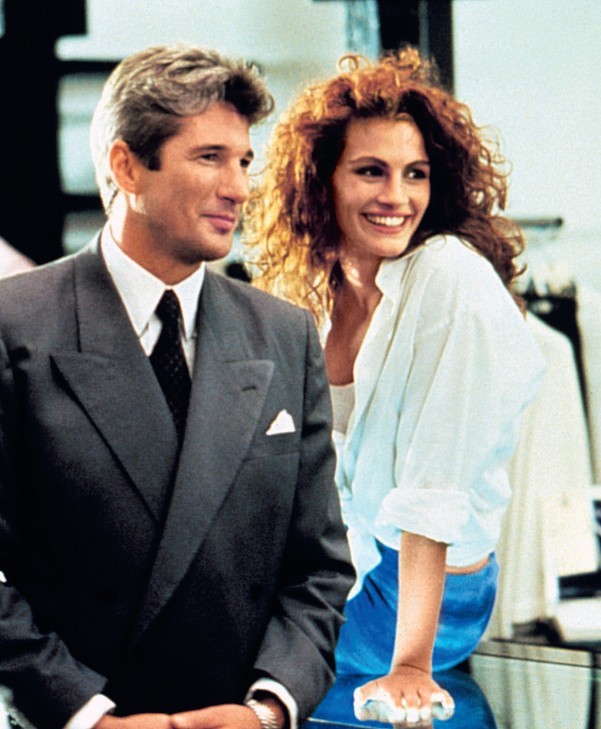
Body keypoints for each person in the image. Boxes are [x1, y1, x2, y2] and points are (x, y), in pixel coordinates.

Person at [0, 44, 354, 729]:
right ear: (127, 166)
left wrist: (268, 707)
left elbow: (318, 569)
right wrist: (85, 715)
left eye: (243, 161)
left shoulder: (284, 334)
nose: (239, 188)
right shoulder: (14, 325)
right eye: (210, 157)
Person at [245, 49, 546, 726]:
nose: (397, 197)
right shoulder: (317, 295)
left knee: (198, 655)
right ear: (320, 181)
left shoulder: (448, 278)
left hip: (423, 598)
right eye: (370, 171)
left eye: (415, 174)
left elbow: (434, 484)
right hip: (341, 568)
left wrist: (410, 663)